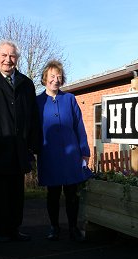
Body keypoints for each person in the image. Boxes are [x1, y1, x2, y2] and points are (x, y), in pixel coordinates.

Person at [0, 40, 40, 242]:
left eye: (12, 56)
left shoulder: (26, 84)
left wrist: (33, 145)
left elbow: (34, 117)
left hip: (19, 147)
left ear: (17, 59)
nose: (7, 60)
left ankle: (13, 228)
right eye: (3, 55)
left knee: (16, 192)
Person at [36, 60, 92, 242]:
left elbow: (79, 126)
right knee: (52, 193)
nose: (56, 79)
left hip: (71, 154)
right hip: (49, 154)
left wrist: (84, 151)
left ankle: (73, 227)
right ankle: (54, 227)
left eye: (59, 76)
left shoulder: (70, 99)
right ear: (45, 78)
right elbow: (33, 129)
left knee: (71, 193)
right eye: (52, 76)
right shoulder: (37, 101)